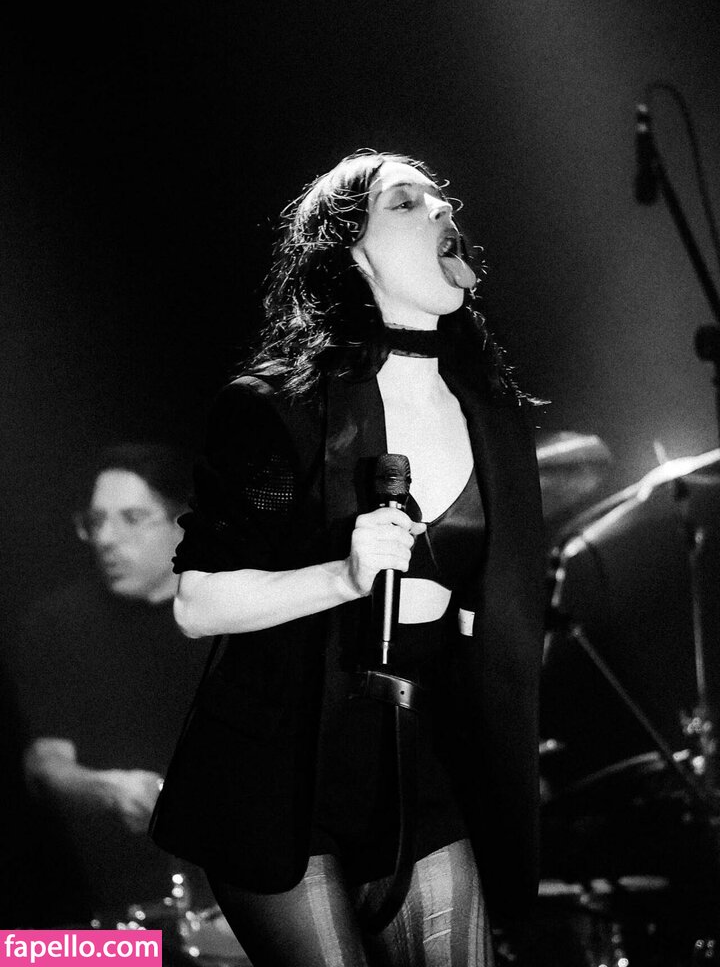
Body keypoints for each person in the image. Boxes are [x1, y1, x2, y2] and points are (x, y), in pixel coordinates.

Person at [150, 151, 546, 966]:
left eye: (441, 198)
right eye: (405, 202)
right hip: (281, 775)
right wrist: (342, 576)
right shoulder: (281, 407)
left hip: (416, 768)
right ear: (351, 252)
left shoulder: (493, 415)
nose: (441, 210)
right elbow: (197, 602)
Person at [10, 444, 213, 924]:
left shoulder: (229, 618)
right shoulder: (55, 624)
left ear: (183, 522)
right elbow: (44, 767)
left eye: (131, 518)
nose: (105, 538)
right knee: (29, 953)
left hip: (230, 897)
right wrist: (109, 789)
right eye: (95, 521)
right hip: (100, 902)